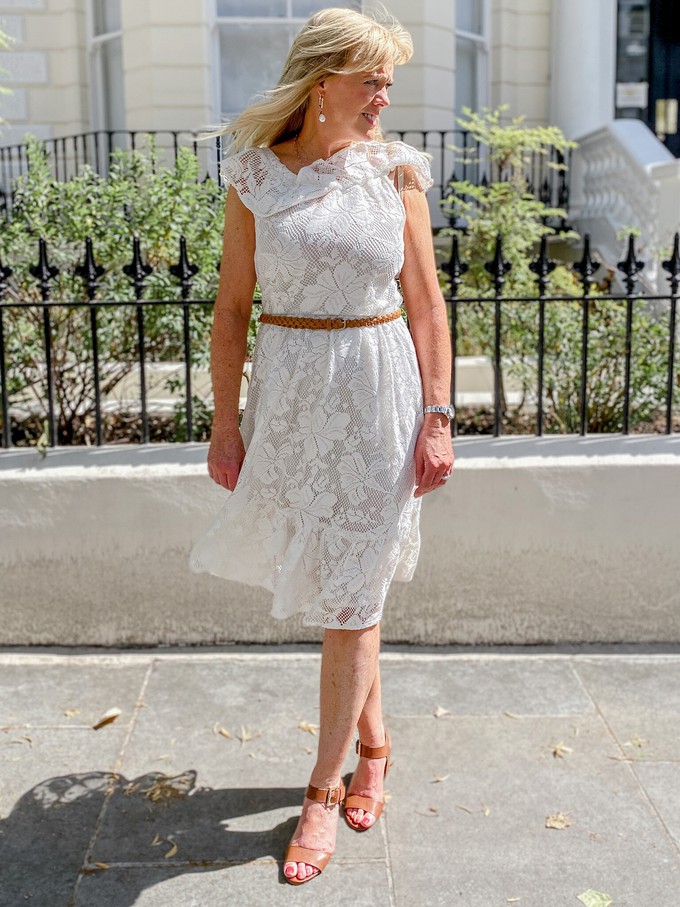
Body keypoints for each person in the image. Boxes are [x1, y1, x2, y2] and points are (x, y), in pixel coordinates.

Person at [189, 5, 454, 887]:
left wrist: (439, 415)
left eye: (388, 82)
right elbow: (232, 310)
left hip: (380, 395)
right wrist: (225, 421)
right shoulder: (254, 176)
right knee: (343, 588)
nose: (384, 97)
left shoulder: (397, 171)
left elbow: (427, 305)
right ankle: (375, 746)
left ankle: (321, 790)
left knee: (353, 595)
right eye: (372, 80)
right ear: (321, 83)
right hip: (293, 399)